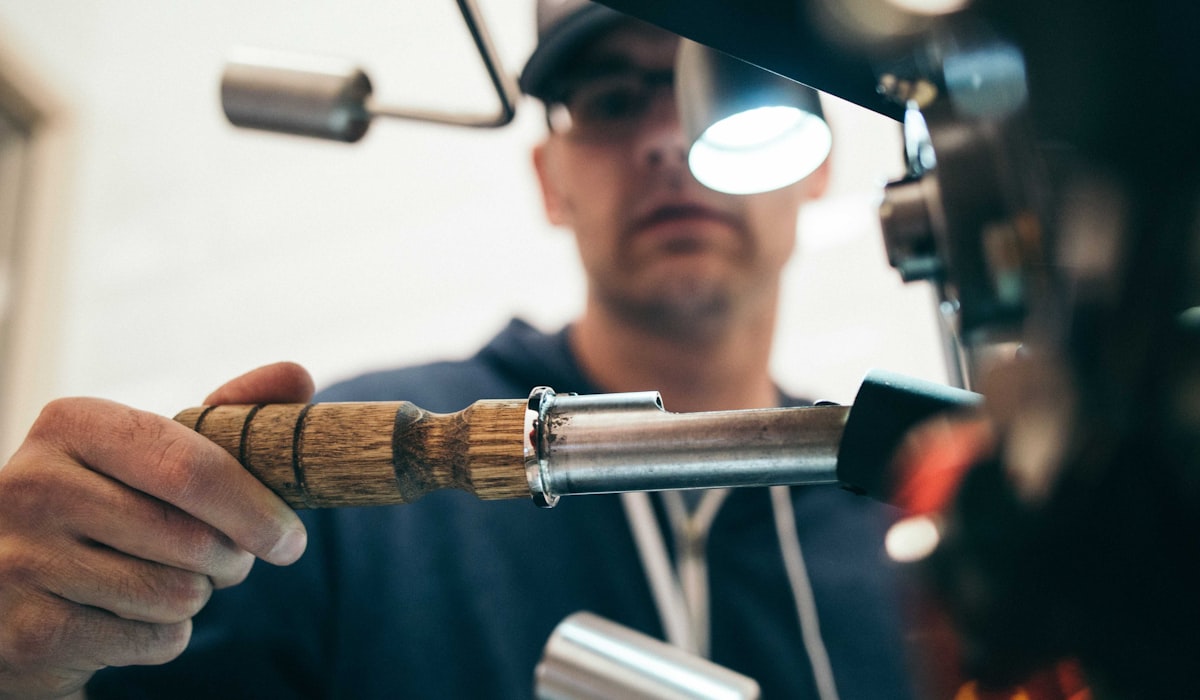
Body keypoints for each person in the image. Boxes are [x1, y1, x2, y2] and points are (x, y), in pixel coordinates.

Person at [0, 2, 916, 698]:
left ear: (819, 160)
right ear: (550, 181)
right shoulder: (344, 493)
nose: (669, 140)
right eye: (610, 101)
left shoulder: (902, 531)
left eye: (730, 89)